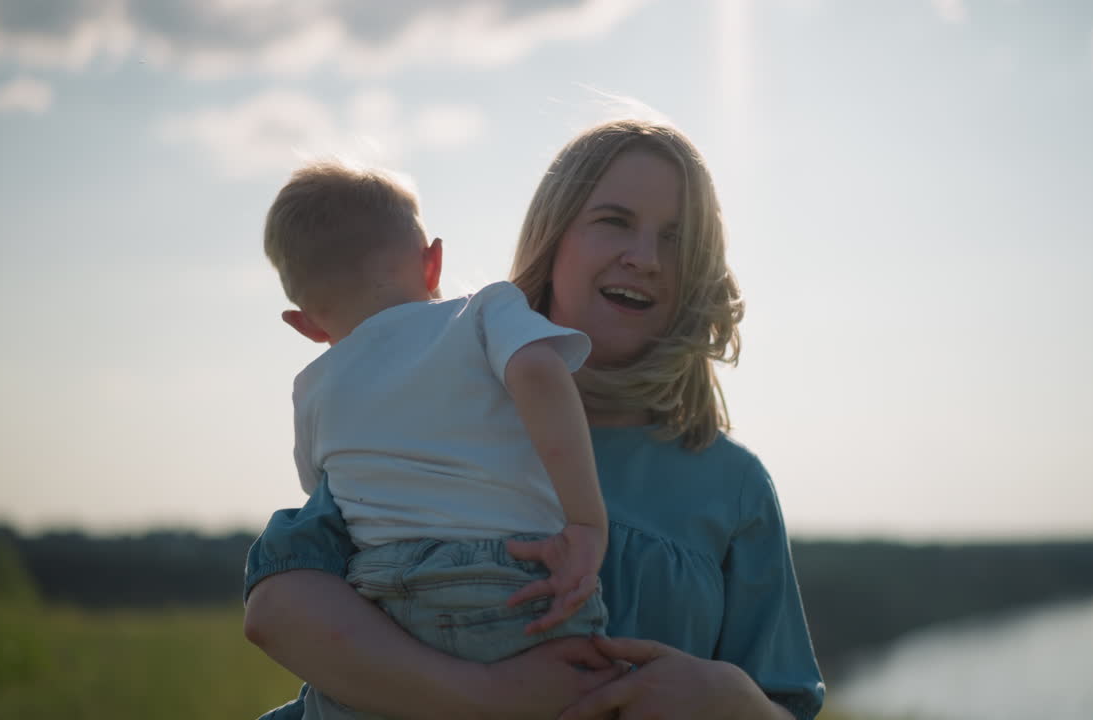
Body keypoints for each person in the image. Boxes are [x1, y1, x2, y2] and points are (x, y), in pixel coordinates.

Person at [245, 119, 826, 720]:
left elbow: (784, 705)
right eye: (614, 221)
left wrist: (733, 703)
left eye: (677, 239)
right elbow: (276, 612)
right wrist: (489, 698)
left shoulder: (732, 486)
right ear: (554, 241)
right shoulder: (424, 410)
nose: (646, 258)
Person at [262, 162, 614, 717]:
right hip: (510, 580)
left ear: (305, 325)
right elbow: (541, 373)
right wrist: (586, 523)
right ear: (433, 264)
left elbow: (326, 497)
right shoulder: (483, 311)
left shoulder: (312, 387)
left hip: (385, 602)